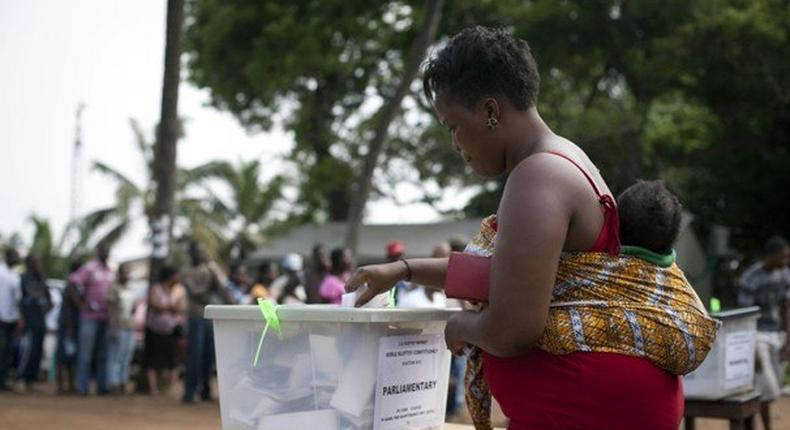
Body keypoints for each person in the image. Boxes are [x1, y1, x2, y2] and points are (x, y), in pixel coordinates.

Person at [346, 26, 710, 429]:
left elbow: (513, 328)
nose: (455, 143)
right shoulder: (560, 159)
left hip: (588, 408)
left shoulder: (537, 176)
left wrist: (460, 326)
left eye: (452, 126)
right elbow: (514, 275)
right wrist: (405, 271)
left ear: (489, 111)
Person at [737, 236, 790, 419]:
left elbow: (785, 307)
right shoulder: (751, 278)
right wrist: (751, 348)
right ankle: (749, 419)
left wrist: (788, 339)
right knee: (768, 387)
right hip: (758, 334)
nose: (786, 261)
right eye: (783, 257)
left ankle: (763, 423)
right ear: (771, 256)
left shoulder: (784, 274)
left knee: (770, 388)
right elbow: (746, 317)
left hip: (777, 333)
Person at [180, 241, 233, 403]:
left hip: (209, 316)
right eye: (197, 251)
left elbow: (223, 286)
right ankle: (189, 392)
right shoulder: (186, 270)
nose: (200, 255)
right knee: (194, 355)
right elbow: (195, 292)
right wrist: (210, 285)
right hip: (195, 315)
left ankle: (206, 391)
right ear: (191, 254)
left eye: (202, 251)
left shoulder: (210, 268)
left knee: (209, 355)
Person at [71, 241, 116, 395]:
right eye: (103, 249)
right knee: (85, 353)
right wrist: (81, 304)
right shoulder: (89, 268)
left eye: (108, 249)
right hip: (89, 317)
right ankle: (81, 386)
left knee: (103, 354)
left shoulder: (111, 271)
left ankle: (102, 387)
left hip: (106, 318)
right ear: (98, 251)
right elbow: (72, 282)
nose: (106, 252)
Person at [145, 265, 186, 396]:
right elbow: (154, 305)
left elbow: (180, 308)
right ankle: (154, 389)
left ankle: (170, 389)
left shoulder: (178, 290)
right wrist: (171, 307)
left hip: (171, 331)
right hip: (155, 330)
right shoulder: (156, 289)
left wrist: (165, 307)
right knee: (153, 360)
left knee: (173, 360)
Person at [16, 254, 52, 391]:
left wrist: (44, 308)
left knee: (37, 351)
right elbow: (22, 299)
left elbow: (49, 300)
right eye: (37, 262)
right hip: (29, 321)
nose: (39, 264)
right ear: (30, 263)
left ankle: (30, 379)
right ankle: (21, 379)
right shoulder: (24, 278)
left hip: (40, 321)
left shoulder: (42, 279)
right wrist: (22, 318)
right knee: (28, 350)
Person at [106, 263, 136, 394]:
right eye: (125, 272)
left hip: (130, 326)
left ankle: (123, 381)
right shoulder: (114, 288)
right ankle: (113, 382)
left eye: (128, 272)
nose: (127, 275)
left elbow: (133, 308)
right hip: (119, 326)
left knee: (126, 356)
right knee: (116, 355)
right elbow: (111, 309)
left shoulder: (130, 289)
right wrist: (113, 327)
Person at [56, 259, 83, 394]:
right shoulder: (71, 285)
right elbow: (76, 305)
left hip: (70, 324)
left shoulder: (75, 285)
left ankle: (70, 385)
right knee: (63, 356)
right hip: (67, 325)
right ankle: (61, 385)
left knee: (70, 356)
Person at [0, 248, 22, 391]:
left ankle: (2, 381)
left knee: (7, 352)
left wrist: (19, 317)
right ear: (7, 257)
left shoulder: (15, 276)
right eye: (15, 256)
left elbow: (17, 300)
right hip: (1, 318)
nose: (17, 259)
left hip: (11, 319)